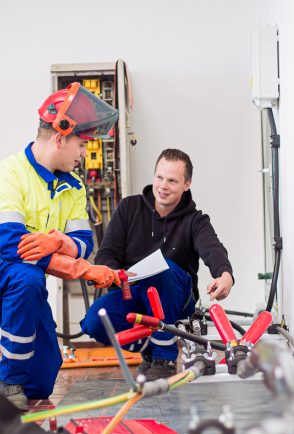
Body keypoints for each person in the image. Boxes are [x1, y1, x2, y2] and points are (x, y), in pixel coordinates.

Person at [0, 83, 121, 410]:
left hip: (23, 274)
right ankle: (10, 384)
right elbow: (9, 243)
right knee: (26, 278)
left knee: (43, 376)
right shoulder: (8, 174)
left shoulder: (74, 188)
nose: (84, 154)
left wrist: (58, 240)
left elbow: (85, 244)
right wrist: (80, 267)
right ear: (60, 137)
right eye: (82, 144)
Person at [80, 148, 234, 380]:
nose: (163, 186)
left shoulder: (195, 221)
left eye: (172, 180)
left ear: (187, 184)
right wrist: (113, 274)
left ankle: (165, 357)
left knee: (164, 269)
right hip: (131, 292)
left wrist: (225, 275)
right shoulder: (128, 208)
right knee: (95, 320)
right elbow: (107, 254)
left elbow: (212, 248)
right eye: (159, 177)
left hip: (176, 297)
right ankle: (150, 351)